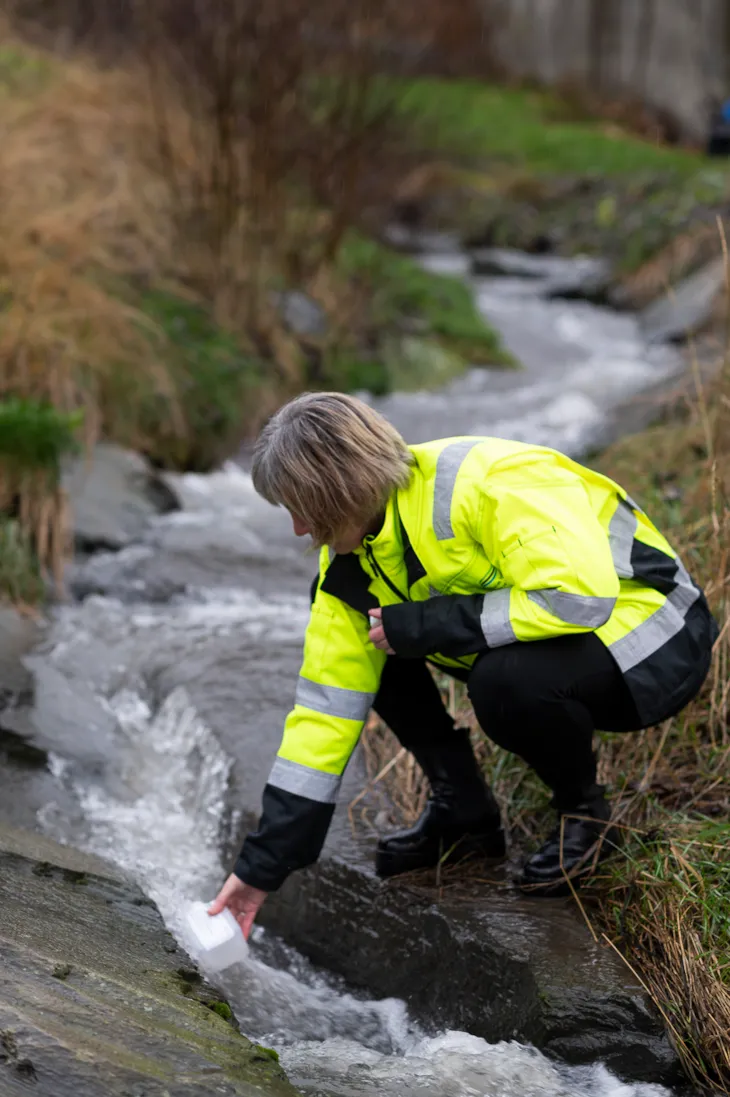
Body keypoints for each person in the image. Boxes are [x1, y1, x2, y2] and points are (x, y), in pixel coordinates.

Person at [209, 392, 718, 938]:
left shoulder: (495, 480)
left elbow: (579, 599)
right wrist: (262, 867)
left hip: (655, 636)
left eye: (299, 509)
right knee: (379, 626)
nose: (298, 530)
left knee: (500, 679)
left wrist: (425, 624)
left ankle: (585, 817)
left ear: (336, 493)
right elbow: (324, 715)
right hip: (564, 646)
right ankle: (464, 812)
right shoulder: (351, 571)